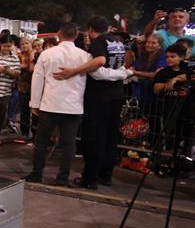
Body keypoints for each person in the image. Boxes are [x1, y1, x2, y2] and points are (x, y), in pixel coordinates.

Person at [53, 16, 134, 189]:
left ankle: (90, 179)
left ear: (90, 29)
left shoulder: (98, 42)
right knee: (111, 137)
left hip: (99, 97)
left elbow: (98, 67)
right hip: (117, 96)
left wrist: (73, 71)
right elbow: (121, 67)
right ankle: (105, 175)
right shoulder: (117, 42)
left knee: (94, 137)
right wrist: (122, 74)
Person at [24, 23, 90, 186]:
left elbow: (38, 79)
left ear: (59, 34)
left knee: (42, 141)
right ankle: (62, 177)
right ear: (76, 36)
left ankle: (37, 173)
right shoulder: (85, 56)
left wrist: (35, 103)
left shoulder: (47, 54)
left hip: (50, 104)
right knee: (69, 144)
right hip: (73, 106)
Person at [153, 43, 191, 148]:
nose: (169, 59)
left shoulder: (188, 70)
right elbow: (156, 89)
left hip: (187, 109)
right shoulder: (163, 72)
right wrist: (170, 81)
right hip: (168, 109)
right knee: (170, 137)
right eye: (167, 57)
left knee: (187, 137)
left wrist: (177, 79)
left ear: (182, 57)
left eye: (172, 56)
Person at [17, 38, 36, 141]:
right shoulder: (19, 56)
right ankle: (24, 133)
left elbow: (32, 69)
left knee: (35, 111)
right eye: (22, 44)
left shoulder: (35, 54)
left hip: (35, 87)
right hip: (23, 87)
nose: (24, 45)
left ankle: (35, 134)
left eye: (26, 43)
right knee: (24, 111)